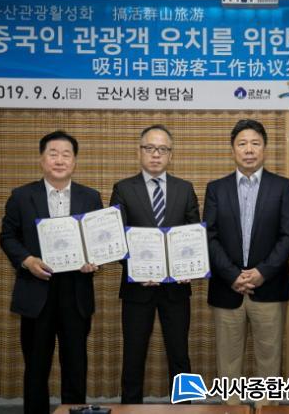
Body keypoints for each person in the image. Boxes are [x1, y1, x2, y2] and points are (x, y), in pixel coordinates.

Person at [0, 131, 103, 414]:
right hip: (36, 292)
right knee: (35, 368)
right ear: (41, 159)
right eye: (53, 153)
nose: (59, 160)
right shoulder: (22, 196)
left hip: (76, 292)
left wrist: (94, 260)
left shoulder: (90, 197)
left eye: (66, 154)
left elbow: (98, 241)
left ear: (75, 161)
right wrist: (27, 260)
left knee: (75, 367)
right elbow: (7, 236)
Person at [204, 119, 289, 406]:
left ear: (264, 148)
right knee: (228, 362)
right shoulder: (216, 188)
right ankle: (231, 409)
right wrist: (232, 275)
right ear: (232, 149)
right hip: (227, 287)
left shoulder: (281, 186)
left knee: (269, 360)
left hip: (269, 287)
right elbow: (208, 236)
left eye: (255, 143)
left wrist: (262, 272)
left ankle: (267, 409)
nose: (249, 150)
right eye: (242, 143)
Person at [110, 124, 200, 403]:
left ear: (171, 154)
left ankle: (185, 407)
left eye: (162, 149)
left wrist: (190, 266)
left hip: (176, 288)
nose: (156, 154)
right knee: (133, 355)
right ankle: (130, 408)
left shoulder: (185, 189)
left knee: (180, 354)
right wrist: (137, 269)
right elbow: (116, 239)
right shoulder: (123, 189)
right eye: (150, 148)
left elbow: (194, 235)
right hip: (138, 288)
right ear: (139, 152)